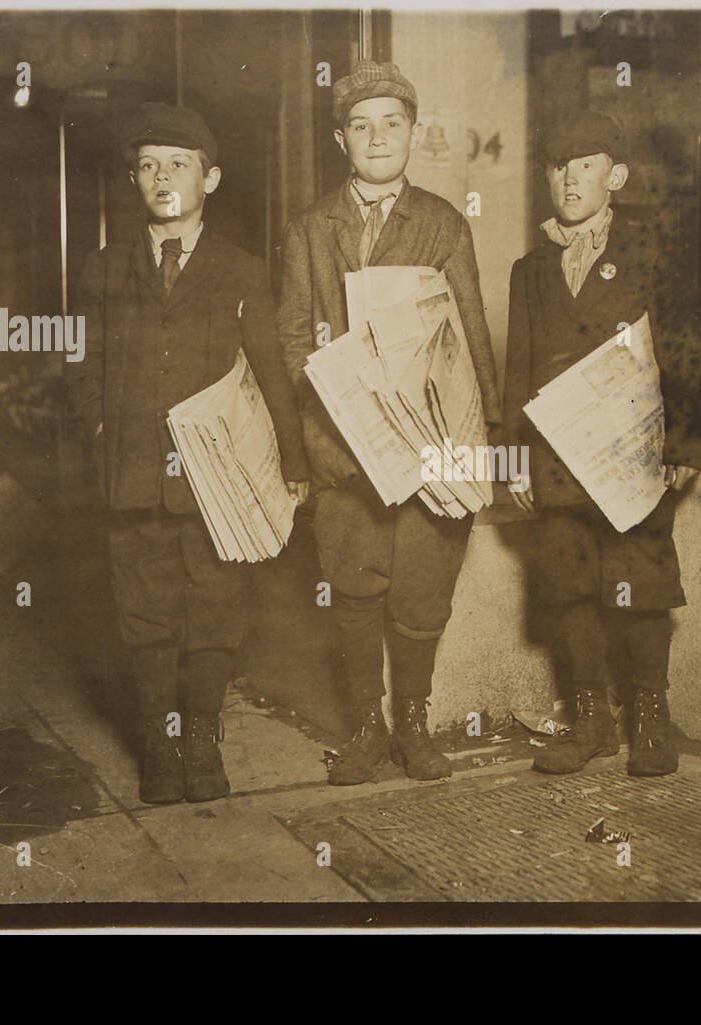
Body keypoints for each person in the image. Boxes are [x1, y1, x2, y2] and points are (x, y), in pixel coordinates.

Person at [69, 102, 309, 803]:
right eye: (147, 165)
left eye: (178, 164)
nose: (161, 176)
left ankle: (202, 735)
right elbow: (83, 366)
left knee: (215, 606)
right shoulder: (106, 267)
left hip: (217, 482)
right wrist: (100, 435)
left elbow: (270, 369)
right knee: (144, 611)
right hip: (134, 473)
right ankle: (158, 740)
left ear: (212, 179)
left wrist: (293, 462)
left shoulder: (240, 269)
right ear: (134, 180)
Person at [277, 62, 499, 785]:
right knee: (354, 587)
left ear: (413, 133)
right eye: (361, 126)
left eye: (392, 123)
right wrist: (320, 425)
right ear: (342, 140)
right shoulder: (311, 230)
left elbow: (469, 333)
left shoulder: (440, 224)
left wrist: (479, 442)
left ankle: (414, 724)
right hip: (346, 451)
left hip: (430, 447)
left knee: (422, 592)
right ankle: (366, 727)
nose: (378, 138)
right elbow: (289, 340)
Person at [502, 109, 701, 777]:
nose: (569, 177)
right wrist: (515, 458)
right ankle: (589, 716)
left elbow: (683, 352)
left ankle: (649, 714)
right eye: (558, 165)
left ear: (614, 176)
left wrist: (683, 442)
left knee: (638, 581)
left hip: (632, 452)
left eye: (585, 164)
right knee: (569, 587)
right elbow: (519, 374)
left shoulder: (654, 250)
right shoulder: (529, 269)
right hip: (558, 458)